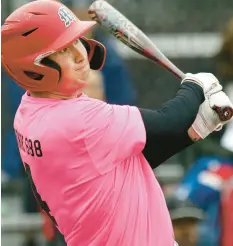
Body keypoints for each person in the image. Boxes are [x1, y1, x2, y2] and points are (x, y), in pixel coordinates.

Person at [1, 0, 233, 245]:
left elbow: (123, 164)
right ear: (31, 67)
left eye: (75, 41)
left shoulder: (29, 111)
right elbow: (168, 122)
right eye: (61, 50)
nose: (79, 54)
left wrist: (194, 130)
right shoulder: (77, 119)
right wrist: (196, 86)